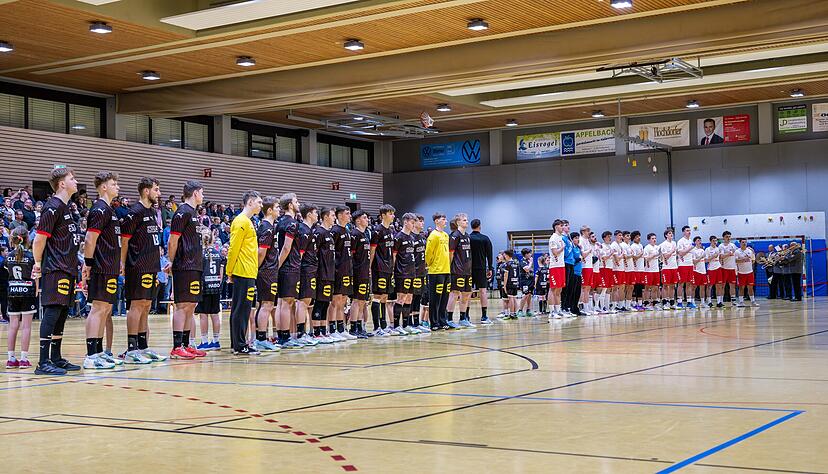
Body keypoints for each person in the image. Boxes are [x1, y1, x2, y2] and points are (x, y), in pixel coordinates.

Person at [31, 167, 81, 375]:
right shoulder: (52, 207)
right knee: (52, 311)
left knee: (62, 313)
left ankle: (56, 357)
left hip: (68, 268)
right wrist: (37, 263)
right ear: (62, 184)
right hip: (55, 268)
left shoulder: (66, 207)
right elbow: (39, 239)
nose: (76, 181)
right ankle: (43, 362)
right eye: (72, 178)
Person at [81, 171, 126, 369]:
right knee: (98, 308)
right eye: (114, 184)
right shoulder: (99, 209)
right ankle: (91, 355)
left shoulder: (110, 210)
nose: (118, 187)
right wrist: (88, 263)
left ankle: (99, 352)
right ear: (104, 187)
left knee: (106, 309)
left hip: (111, 267)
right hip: (100, 266)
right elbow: (90, 239)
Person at [120, 177, 167, 362]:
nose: (159, 193)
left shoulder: (152, 212)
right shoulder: (135, 212)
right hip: (137, 266)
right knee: (137, 305)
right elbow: (124, 241)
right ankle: (132, 350)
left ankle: (143, 346)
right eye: (156, 189)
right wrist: (122, 264)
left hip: (152, 266)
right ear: (146, 191)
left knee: (147, 305)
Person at [168, 180, 208, 359]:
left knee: (191, 306)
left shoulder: (193, 213)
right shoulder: (182, 212)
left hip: (195, 265)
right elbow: (173, 240)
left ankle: (186, 344)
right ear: (195, 193)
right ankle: (177, 347)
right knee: (182, 305)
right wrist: (171, 261)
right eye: (202, 192)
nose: (203, 196)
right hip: (184, 265)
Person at [226, 190, 262, 355]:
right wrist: (229, 271)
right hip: (243, 271)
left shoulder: (248, 221)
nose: (261, 205)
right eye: (259, 202)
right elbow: (233, 248)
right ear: (250, 202)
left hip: (248, 271)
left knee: (241, 309)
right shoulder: (241, 221)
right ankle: (240, 345)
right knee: (241, 309)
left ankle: (237, 343)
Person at [275, 193, 310, 348]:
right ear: (290, 205)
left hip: (285, 266)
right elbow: (286, 247)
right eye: (296, 201)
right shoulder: (292, 223)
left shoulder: (280, 222)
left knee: (282, 302)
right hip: (289, 266)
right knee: (287, 302)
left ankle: (282, 336)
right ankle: (285, 337)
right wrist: (278, 265)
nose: (298, 203)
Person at [6, 227, 36, 369]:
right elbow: (35, 276)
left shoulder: (8, 256)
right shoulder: (31, 256)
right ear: (27, 239)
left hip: (12, 291)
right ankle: (24, 359)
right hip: (27, 291)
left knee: (13, 326)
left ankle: (11, 359)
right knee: (26, 326)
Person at [253, 196, 281, 352]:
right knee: (267, 305)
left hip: (270, 270)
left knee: (267, 304)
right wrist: (256, 269)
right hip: (266, 271)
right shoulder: (266, 227)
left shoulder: (271, 226)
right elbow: (261, 252)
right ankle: (261, 339)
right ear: (269, 210)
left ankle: (261, 338)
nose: (279, 210)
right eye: (277, 207)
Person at [330, 206, 356, 340]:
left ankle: (341, 329)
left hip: (347, 270)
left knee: (343, 300)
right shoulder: (334, 231)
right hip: (337, 270)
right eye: (347, 213)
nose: (349, 216)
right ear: (339, 216)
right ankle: (331, 329)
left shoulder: (347, 231)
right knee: (335, 301)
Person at [196, 229, 224, 350]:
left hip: (204, 287)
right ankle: (216, 341)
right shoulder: (218, 254)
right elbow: (221, 275)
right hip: (215, 287)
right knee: (215, 314)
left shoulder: (200, 254)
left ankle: (204, 342)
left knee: (203, 315)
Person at [369, 204, 396, 336]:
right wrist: (369, 267)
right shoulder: (377, 231)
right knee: (378, 297)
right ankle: (376, 327)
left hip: (388, 268)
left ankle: (383, 325)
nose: (393, 216)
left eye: (393, 213)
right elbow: (372, 250)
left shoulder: (390, 230)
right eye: (390, 213)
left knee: (385, 297)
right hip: (379, 268)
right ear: (383, 215)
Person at [311, 207, 336, 341]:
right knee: (320, 302)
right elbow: (314, 254)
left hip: (330, 273)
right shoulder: (319, 232)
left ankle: (323, 330)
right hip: (321, 273)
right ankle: (316, 332)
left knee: (326, 302)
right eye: (332, 215)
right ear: (325, 217)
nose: (334, 218)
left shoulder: (329, 233)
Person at [392, 213, 420, 334]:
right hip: (401, 272)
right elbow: (394, 255)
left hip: (411, 272)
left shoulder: (412, 238)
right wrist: (393, 271)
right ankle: (396, 325)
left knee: (409, 298)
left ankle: (406, 324)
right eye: (412, 223)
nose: (413, 225)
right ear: (405, 222)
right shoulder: (399, 237)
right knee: (401, 298)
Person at [447, 213, 474, 328]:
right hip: (457, 270)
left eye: (467, 220)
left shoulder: (467, 236)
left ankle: (463, 318)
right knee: (455, 293)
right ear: (458, 222)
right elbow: (451, 253)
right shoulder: (455, 235)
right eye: (464, 220)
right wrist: (450, 267)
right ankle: (449, 319)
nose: (466, 222)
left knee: (467, 294)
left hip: (467, 270)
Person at [425, 212, 451, 330]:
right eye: (443, 219)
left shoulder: (446, 235)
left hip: (446, 270)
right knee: (435, 298)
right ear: (436, 221)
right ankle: (434, 322)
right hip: (436, 272)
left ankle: (442, 320)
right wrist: (431, 264)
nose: (445, 221)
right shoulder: (433, 235)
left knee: (445, 298)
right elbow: (428, 253)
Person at [350, 209, 372, 338]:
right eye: (364, 217)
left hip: (365, 271)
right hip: (357, 272)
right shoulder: (354, 234)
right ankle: (353, 328)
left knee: (363, 301)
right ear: (358, 220)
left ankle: (360, 327)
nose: (367, 219)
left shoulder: (365, 234)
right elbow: (351, 255)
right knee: (356, 300)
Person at [469, 219, 493, 325]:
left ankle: (466, 316)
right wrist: (490, 268)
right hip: (481, 268)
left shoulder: (468, 238)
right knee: (483, 291)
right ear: (480, 226)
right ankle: (484, 316)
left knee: (467, 292)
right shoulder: (485, 238)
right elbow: (489, 255)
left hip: (468, 269)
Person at [412, 214, 431, 331]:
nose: (422, 223)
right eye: (420, 221)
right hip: (412, 273)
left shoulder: (423, 238)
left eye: (423, 221)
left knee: (418, 297)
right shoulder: (411, 237)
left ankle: (417, 323)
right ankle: (409, 323)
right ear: (414, 222)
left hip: (422, 272)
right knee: (412, 297)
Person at [547, 219, 566, 318]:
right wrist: (562, 248)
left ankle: (558, 310)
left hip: (561, 266)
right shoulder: (553, 238)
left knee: (559, 289)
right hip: (555, 266)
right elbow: (555, 252)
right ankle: (551, 312)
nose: (563, 227)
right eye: (561, 225)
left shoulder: (561, 237)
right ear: (556, 227)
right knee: (553, 289)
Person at [734, 238, 759, 307]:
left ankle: (753, 302)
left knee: (750, 288)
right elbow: (736, 261)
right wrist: (743, 259)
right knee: (741, 288)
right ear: (740, 243)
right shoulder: (737, 251)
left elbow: (753, 261)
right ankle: (741, 302)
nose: (744, 243)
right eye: (743, 242)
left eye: (745, 242)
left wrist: (749, 262)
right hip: (741, 273)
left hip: (750, 272)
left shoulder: (750, 251)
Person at [659, 228, 678, 309]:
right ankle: (664, 303)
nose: (671, 234)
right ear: (666, 235)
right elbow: (666, 256)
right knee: (665, 285)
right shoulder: (663, 244)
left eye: (672, 233)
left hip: (674, 267)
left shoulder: (674, 243)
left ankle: (672, 303)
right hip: (666, 268)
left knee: (673, 285)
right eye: (669, 233)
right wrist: (672, 251)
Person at [676, 225, 694, 309]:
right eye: (687, 230)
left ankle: (689, 302)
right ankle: (679, 302)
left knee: (689, 283)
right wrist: (690, 248)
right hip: (683, 265)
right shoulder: (680, 241)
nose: (689, 232)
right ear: (683, 232)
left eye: (689, 230)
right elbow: (681, 253)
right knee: (681, 283)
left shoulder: (690, 240)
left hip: (690, 264)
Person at [719, 231, 738, 307]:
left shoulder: (733, 245)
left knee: (732, 285)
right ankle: (721, 301)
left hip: (732, 268)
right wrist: (729, 253)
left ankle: (733, 301)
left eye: (729, 236)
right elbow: (721, 256)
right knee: (722, 285)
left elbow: (737, 252)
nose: (729, 238)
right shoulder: (721, 246)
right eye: (727, 237)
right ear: (723, 237)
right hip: (724, 268)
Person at [642, 233, 661, 310]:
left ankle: (654, 303)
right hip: (648, 270)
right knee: (647, 287)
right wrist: (654, 255)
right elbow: (646, 259)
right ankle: (646, 303)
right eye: (652, 238)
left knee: (655, 287)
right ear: (649, 240)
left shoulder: (657, 247)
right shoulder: (647, 248)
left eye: (655, 238)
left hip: (656, 270)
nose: (654, 240)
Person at [706, 236, 724, 308]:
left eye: (716, 241)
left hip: (718, 268)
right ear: (710, 241)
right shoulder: (707, 249)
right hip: (711, 269)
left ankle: (719, 302)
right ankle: (709, 302)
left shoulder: (718, 249)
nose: (715, 242)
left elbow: (720, 258)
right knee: (709, 286)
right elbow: (706, 260)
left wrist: (720, 263)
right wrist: (713, 256)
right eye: (713, 240)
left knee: (719, 285)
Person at [691, 236, 709, 308]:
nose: (700, 242)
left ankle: (702, 302)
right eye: (698, 240)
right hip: (696, 271)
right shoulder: (693, 250)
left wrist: (713, 257)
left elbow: (706, 260)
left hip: (703, 271)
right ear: (695, 242)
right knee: (694, 287)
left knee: (703, 287)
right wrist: (701, 257)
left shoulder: (702, 250)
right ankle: (692, 302)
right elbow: (694, 262)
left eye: (700, 240)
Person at [501, 249, 519, 319]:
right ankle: (514, 313)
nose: (504, 256)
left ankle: (511, 314)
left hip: (509, 283)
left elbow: (506, 275)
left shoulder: (507, 264)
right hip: (515, 282)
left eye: (505, 255)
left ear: (507, 255)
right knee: (514, 298)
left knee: (510, 298)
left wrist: (504, 285)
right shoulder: (516, 263)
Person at [517, 248, 534, 317]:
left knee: (529, 295)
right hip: (525, 281)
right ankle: (520, 310)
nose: (531, 254)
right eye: (529, 253)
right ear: (526, 254)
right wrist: (531, 262)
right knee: (525, 295)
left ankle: (528, 310)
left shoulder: (528, 260)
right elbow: (527, 269)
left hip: (530, 280)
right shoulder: (522, 261)